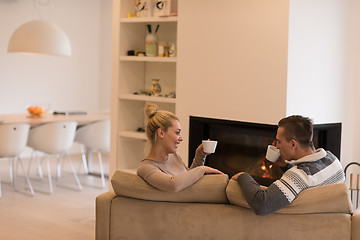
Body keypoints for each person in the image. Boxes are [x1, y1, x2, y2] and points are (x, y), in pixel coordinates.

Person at [231, 115, 345, 216]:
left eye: (279, 142)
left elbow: (262, 205)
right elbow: (304, 185)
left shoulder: (299, 175)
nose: (277, 147)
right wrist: (285, 166)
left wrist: (243, 176)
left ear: (293, 144)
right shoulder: (333, 160)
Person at [137, 104, 223, 192]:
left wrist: (200, 155)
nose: (181, 138)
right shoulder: (146, 168)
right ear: (161, 133)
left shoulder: (174, 156)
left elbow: (187, 179)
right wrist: (202, 169)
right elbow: (172, 185)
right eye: (177, 133)